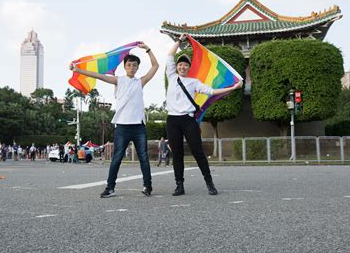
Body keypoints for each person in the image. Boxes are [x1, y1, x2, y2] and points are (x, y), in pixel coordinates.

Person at [69, 42, 159, 198]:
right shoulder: (118, 80)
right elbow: (99, 76)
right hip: (122, 127)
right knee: (117, 157)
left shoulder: (140, 82)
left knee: (143, 157)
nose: (132, 67)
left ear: (138, 67)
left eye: (135, 65)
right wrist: (78, 70)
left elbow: (155, 66)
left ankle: (148, 186)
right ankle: (110, 188)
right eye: (129, 65)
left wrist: (148, 50)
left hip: (138, 127)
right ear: (125, 67)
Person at [166, 34, 243, 196]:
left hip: (189, 120)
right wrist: (179, 41)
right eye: (180, 64)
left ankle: (209, 183)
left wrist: (233, 88)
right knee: (177, 154)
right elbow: (169, 55)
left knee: (198, 152)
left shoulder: (194, 82)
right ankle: (179, 185)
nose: (182, 67)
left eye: (185, 65)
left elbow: (211, 91)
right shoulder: (172, 76)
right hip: (172, 120)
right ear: (177, 66)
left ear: (189, 67)